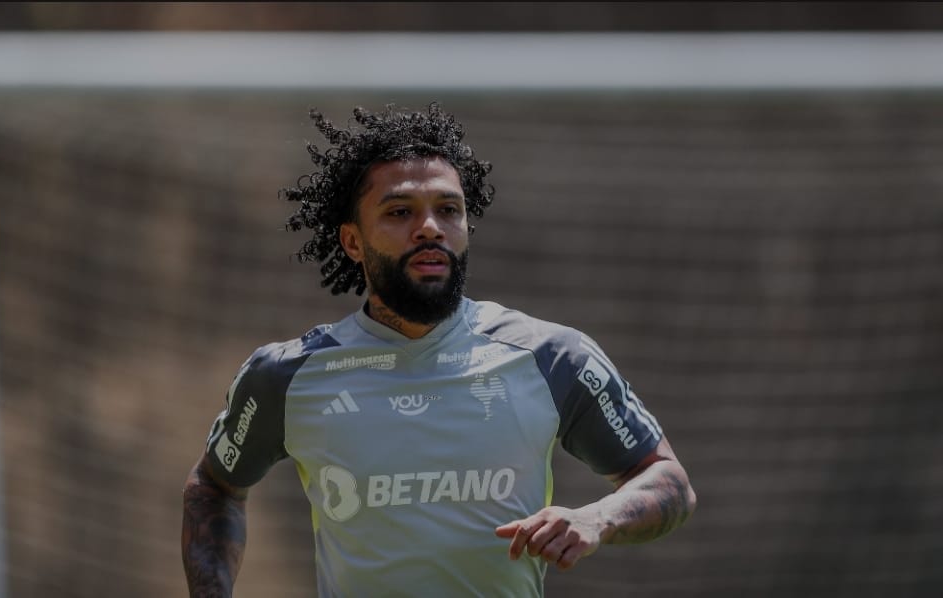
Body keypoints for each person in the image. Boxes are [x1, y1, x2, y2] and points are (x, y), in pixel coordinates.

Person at [181, 102, 696, 597]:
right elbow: (214, 487)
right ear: (353, 241)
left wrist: (596, 518)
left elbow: (668, 481)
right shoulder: (287, 377)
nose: (430, 227)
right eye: (400, 210)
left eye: (448, 209)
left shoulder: (552, 358)